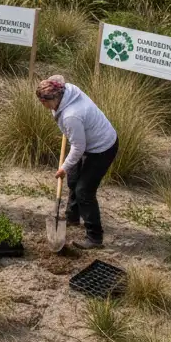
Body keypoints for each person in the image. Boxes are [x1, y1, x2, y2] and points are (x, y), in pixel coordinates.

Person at [36, 75, 118, 249]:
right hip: (86, 142)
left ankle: (95, 237)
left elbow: (78, 148)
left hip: (102, 148)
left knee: (84, 191)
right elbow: (58, 78)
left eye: (43, 101)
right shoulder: (66, 91)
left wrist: (63, 168)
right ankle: (72, 216)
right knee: (73, 179)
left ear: (53, 98)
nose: (42, 105)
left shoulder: (71, 115)